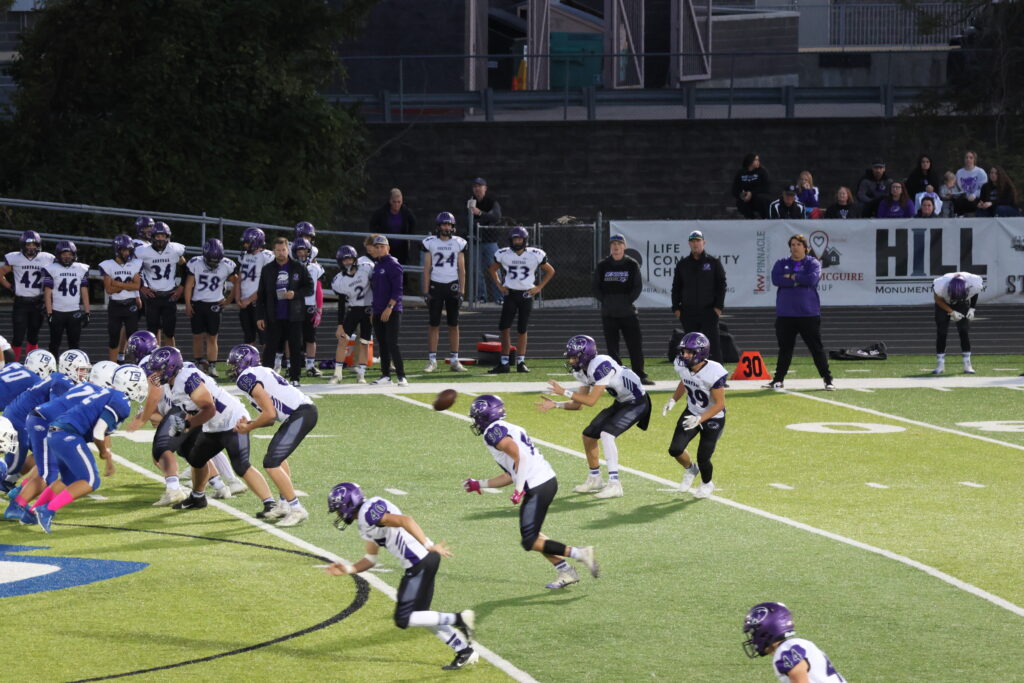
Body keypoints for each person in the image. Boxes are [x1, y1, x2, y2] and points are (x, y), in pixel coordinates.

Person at [325, 482, 479, 671]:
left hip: (419, 562)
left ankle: (458, 619)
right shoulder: (364, 520)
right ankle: (464, 650)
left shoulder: (368, 512)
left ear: (348, 505)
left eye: (338, 510)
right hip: (423, 561)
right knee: (422, 615)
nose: (339, 515)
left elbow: (406, 520)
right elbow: (370, 559)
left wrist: (428, 545)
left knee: (403, 619)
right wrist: (347, 569)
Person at [464, 394, 599, 589]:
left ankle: (580, 553)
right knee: (533, 535)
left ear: (485, 415)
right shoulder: (507, 428)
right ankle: (566, 571)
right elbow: (511, 474)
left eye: (477, 417)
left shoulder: (493, 432)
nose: (475, 421)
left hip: (537, 485)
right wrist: (479, 484)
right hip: (544, 481)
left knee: (530, 540)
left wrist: (519, 490)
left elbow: (522, 460)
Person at [146, 346, 277, 516]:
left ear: (171, 367)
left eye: (159, 369)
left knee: (241, 465)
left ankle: (270, 503)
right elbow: (192, 408)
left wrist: (188, 425)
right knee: (196, 459)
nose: (156, 374)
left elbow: (209, 408)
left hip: (231, 420)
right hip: (213, 425)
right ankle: (197, 497)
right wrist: (184, 425)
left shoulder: (186, 379)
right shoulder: (173, 383)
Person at [31, 365, 146, 533]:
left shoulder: (108, 393)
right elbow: (98, 433)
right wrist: (103, 452)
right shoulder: (122, 401)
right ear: (129, 385)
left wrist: (108, 459)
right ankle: (47, 510)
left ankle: (34, 510)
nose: (142, 389)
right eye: (139, 385)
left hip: (55, 432)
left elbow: (101, 430)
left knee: (69, 478)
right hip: (68, 435)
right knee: (91, 480)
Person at [539, 334, 651, 499]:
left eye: (574, 357)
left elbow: (591, 401)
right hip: (622, 402)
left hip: (638, 402)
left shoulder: (601, 364)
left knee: (607, 434)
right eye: (570, 357)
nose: (571, 361)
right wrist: (556, 404)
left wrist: (564, 391)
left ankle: (615, 484)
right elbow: (578, 404)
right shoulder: (582, 372)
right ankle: (595, 478)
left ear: (585, 355)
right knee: (589, 435)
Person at [228, 344, 316, 527]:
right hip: (301, 413)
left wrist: (248, 428)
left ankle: (297, 509)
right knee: (277, 458)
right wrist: (250, 424)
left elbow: (269, 415)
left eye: (235, 364)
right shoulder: (260, 372)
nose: (233, 369)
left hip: (300, 413)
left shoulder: (246, 377)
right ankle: (284, 504)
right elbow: (270, 418)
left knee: (271, 462)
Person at [764, 234, 835, 391]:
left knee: (816, 348)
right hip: (785, 314)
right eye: (792, 245)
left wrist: (791, 277)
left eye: (798, 244)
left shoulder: (812, 263)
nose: (795, 247)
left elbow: (812, 280)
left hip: (808, 313)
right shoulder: (781, 262)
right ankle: (778, 379)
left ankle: (827, 379)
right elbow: (776, 280)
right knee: (785, 349)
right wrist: (798, 280)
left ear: (805, 247)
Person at [661, 332, 727, 499]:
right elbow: (685, 380)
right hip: (692, 411)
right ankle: (691, 469)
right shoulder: (682, 365)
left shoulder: (714, 371)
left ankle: (707, 483)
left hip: (713, 417)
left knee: (703, 457)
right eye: (684, 351)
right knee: (675, 449)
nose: (685, 355)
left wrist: (699, 419)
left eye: (690, 352)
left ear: (701, 352)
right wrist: (674, 399)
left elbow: (720, 404)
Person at [487, 227, 555, 374]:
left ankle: (521, 362)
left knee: (522, 328)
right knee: (505, 327)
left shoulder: (535, 254)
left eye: (519, 239)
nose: (517, 242)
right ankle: (504, 362)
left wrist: (539, 287)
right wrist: (499, 285)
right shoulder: (504, 254)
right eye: (515, 239)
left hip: (526, 294)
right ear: (510, 240)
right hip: (510, 294)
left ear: (525, 240)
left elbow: (550, 270)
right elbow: (492, 269)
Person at [593, 233, 652, 384]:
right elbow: (595, 288)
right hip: (609, 313)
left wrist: (626, 301)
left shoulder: (632, 264)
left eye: (619, 244)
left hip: (628, 312)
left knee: (635, 345)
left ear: (624, 247)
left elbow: (637, 287)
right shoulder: (602, 265)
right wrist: (607, 301)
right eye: (613, 244)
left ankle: (640, 375)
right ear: (610, 247)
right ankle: (617, 376)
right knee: (612, 348)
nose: (616, 247)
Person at [742, 602, 846, 682]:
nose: (752, 639)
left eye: (753, 633)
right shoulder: (797, 644)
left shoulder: (785, 649)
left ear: (765, 630)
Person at [257, 237, 312, 387]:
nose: (281, 253)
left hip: (294, 315)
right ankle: (266, 379)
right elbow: (261, 295)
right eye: (278, 250)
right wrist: (260, 316)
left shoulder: (298, 267)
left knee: (295, 348)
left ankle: (295, 378)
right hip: (273, 316)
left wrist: (295, 294)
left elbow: (309, 288)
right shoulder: (267, 269)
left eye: (283, 250)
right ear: (273, 251)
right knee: (270, 349)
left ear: (288, 250)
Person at [421, 212, 468, 373]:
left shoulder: (459, 243)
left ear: (452, 226)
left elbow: (462, 269)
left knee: (453, 324)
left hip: (452, 285)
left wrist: (462, 291)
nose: (446, 227)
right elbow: (426, 269)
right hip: (436, 285)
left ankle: (454, 360)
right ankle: (432, 360)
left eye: (448, 224)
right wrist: (426, 291)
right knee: (434, 324)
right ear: (438, 226)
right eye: (443, 224)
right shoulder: (430, 243)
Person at [671, 229, 727, 365]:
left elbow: (721, 285)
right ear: (689, 243)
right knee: (690, 347)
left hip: (709, 311)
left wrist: (718, 307)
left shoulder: (713, 262)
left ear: (703, 242)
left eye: (698, 241)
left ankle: (717, 375)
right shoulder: (682, 264)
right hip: (688, 312)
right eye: (692, 241)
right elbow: (676, 287)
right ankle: (693, 374)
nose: (695, 244)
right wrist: (676, 308)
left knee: (713, 344)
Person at [184, 238, 237, 378]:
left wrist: (229, 299)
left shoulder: (227, 264)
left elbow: (237, 282)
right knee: (197, 336)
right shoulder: (196, 263)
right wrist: (188, 304)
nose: (213, 263)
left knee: (212, 337)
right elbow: (189, 285)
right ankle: (198, 363)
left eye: (216, 261)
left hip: (215, 304)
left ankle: (212, 365)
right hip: (198, 303)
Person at [0, 230, 55, 361]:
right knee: (18, 337)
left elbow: (57, 273)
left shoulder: (47, 258)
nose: (31, 247)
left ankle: (32, 363)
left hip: (38, 302)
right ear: (23, 245)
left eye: (33, 244)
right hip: (21, 303)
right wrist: (10, 286)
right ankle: (13, 365)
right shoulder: (15, 258)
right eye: (28, 244)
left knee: (33, 336)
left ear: (38, 245)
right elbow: (1, 273)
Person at [135, 221, 186, 347]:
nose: (160, 239)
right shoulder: (143, 251)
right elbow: (134, 270)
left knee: (169, 332)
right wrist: (141, 287)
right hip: (153, 296)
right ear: (152, 237)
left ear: (167, 237)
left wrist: (181, 287)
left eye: (163, 236)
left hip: (170, 295)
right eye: (158, 236)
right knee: (152, 331)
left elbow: (185, 268)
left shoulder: (174, 249)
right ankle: (154, 355)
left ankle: (171, 356)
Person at [329, 244, 374, 384]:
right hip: (353, 310)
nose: (347, 262)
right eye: (344, 260)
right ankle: (337, 374)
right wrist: (340, 324)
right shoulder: (339, 280)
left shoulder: (366, 269)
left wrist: (376, 309)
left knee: (364, 342)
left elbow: (376, 288)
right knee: (343, 340)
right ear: (340, 262)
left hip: (368, 310)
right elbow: (341, 302)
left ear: (355, 259)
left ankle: (361, 374)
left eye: (349, 259)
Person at [368, 235, 407, 386]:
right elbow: (376, 291)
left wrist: (389, 308)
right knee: (382, 343)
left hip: (392, 310)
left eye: (382, 247)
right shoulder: (377, 265)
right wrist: (374, 310)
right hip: (378, 309)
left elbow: (398, 290)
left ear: (388, 248)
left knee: (392, 343)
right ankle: (385, 375)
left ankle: (401, 376)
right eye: (377, 247)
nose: (379, 249)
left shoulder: (393, 264)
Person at [99, 234, 144, 362]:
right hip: (115, 305)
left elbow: (137, 285)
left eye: (129, 250)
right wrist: (128, 286)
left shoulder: (135, 264)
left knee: (133, 338)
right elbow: (109, 289)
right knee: (113, 337)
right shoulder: (108, 265)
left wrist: (117, 284)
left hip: (130, 305)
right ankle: (112, 366)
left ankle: (135, 364)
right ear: (117, 250)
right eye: (124, 250)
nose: (127, 253)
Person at [42, 240, 90, 357]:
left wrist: (87, 311)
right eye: (64, 254)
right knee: (54, 343)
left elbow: (84, 291)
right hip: (57, 311)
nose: (67, 257)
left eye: (69, 254)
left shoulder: (81, 268)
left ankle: (73, 366)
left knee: (74, 344)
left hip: (74, 311)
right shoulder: (51, 268)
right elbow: (47, 292)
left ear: (74, 255)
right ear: (58, 255)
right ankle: (53, 365)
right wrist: (49, 312)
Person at [931, 271, 984, 374]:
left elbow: (975, 292)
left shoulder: (973, 281)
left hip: (962, 303)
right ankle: (940, 364)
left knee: (964, 330)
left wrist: (972, 308)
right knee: (941, 331)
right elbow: (938, 300)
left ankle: (967, 364)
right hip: (944, 303)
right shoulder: (940, 285)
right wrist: (951, 311)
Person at [235, 227, 275, 347]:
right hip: (245, 303)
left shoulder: (266, 256)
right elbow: (239, 280)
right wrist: (238, 298)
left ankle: (269, 359)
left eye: (247, 242)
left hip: (260, 303)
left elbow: (267, 285)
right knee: (248, 337)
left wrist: (249, 299)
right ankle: (250, 359)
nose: (245, 245)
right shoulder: (244, 256)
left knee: (265, 338)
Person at [292, 238, 325, 378]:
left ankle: (310, 366)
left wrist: (319, 309)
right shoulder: (290, 267)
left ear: (309, 252)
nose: (301, 254)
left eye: (304, 251)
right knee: (292, 337)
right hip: (294, 305)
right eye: (299, 251)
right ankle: (290, 365)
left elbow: (319, 289)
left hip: (310, 306)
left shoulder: (315, 268)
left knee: (310, 338)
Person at [468, 177, 503, 303]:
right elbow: (468, 220)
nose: (477, 188)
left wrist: (481, 214)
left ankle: (499, 297)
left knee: (495, 269)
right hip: (475, 241)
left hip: (490, 241)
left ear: (485, 188)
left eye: (479, 186)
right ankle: (481, 297)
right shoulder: (470, 201)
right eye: (475, 186)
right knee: (476, 270)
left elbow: (496, 216)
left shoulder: (491, 202)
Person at [368, 188, 417, 266]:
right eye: (394, 202)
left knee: (401, 267)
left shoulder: (406, 211)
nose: (396, 204)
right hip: (385, 246)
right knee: (385, 266)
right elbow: (372, 223)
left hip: (401, 246)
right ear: (390, 201)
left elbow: (413, 222)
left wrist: (409, 235)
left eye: (399, 202)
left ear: (402, 201)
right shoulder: (382, 211)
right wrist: (377, 238)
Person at [732, 153, 771, 219]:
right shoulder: (740, 173)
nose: (758, 162)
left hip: (759, 197)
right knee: (740, 203)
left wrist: (751, 193)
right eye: (756, 160)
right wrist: (740, 194)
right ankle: (752, 219)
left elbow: (766, 187)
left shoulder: (762, 171)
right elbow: (734, 189)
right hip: (746, 199)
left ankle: (766, 218)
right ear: (750, 161)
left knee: (762, 200)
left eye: (758, 160)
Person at [954, 150, 988, 216]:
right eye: (966, 157)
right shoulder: (959, 172)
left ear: (974, 160)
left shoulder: (980, 172)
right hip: (963, 197)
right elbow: (957, 187)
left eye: (971, 158)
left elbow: (983, 188)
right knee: (958, 202)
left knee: (974, 203)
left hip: (976, 198)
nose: (968, 159)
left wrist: (974, 195)